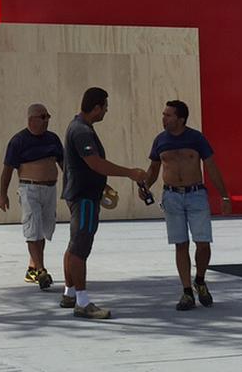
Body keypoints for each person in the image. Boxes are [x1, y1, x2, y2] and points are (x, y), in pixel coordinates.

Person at [60, 87, 148, 319]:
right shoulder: (82, 132)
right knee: (81, 248)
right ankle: (83, 302)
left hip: (81, 192)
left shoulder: (78, 126)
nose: (106, 112)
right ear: (96, 107)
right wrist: (130, 173)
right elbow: (95, 163)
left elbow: (83, 166)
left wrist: (103, 184)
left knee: (73, 245)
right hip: (85, 197)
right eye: (105, 107)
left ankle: (69, 293)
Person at [143, 99, 232, 310]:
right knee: (180, 244)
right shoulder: (160, 140)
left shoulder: (196, 138)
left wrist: (225, 196)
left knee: (203, 242)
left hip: (195, 195)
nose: (163, 118)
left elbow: (211, 166)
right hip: (172, 196)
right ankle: (186, 292)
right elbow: (154, 169)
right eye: (164, 114)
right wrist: (144, 186)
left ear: (180, 119)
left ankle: (200, 280)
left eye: (168, 115)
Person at [0, 103, 64, 289]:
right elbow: (7, 170)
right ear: (31, 119)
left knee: (43, 228)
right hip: (30, 190)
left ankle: (32, 267)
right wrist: (2, 194)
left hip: (50, 189)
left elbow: (64, 164)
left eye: (48, 117)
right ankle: (42, 271)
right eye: (43, 117)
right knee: (33, 227)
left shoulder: (53, 139)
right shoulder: (18, 141)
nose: (46, 120)